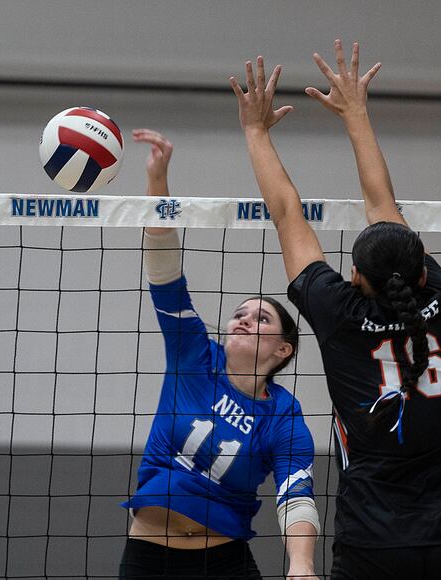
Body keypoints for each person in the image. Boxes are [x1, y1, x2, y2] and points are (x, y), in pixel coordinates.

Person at [230, 41, 441, 579]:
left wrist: (255, 130)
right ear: (420, 271)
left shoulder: (338, 311)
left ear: (354, 278)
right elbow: (382, 204)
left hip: (373, 539)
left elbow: (286, 213)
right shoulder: (437, 295)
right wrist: (357, 113)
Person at [119, 128, 320, 579]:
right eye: (239, 313)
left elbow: (296, 494)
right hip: (150, 559)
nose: (244, 319)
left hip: (223, 563)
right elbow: (164, 271)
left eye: (261, 318)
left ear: (283, 349)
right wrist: (158, 183)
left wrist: (302, 566)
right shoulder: (194, 355)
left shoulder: (284, 416)